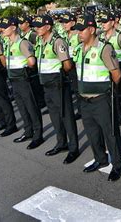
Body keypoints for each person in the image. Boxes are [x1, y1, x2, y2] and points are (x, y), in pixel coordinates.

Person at [73, 14, 121, 181]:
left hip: (101, 98)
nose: (78, 33)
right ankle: (100, 159)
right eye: (77, 30)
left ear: (92, 30)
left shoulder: (104, 48)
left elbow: (116, 74)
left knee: (110, 133)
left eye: (82, 30)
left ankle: (117, 164)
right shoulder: (79, 48)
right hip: (84, 99)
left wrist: (108, 90)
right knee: (92, 132)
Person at [33, 15, 80, 163]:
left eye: (39, 26)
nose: (36, 28)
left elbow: (67, 65)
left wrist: (60, 77)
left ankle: (73, 148)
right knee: (54, 116)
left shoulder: (57, 41)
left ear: (48, 27)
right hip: (46, 84)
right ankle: (61, 143)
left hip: (57, 83)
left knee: (66, 116)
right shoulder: (40, 41)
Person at [0, 17, 44, 142]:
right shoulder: (9, 43)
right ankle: (28, 131)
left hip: (23, 79)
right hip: (14, 78)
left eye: (5, 26)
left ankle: (38, 134)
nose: (2, 29)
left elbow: (31, 61)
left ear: (13, 27)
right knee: (22, 107)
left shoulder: (22, 42)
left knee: (31, 107)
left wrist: (24, 69)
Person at [98, 11, 121, 134]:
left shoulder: (120, 36)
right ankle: (118, 117)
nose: (103, 25)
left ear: (113, 22)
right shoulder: (101, 37)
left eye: (105, 22)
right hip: (107, 70)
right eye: (101, 22)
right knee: (113, 97)